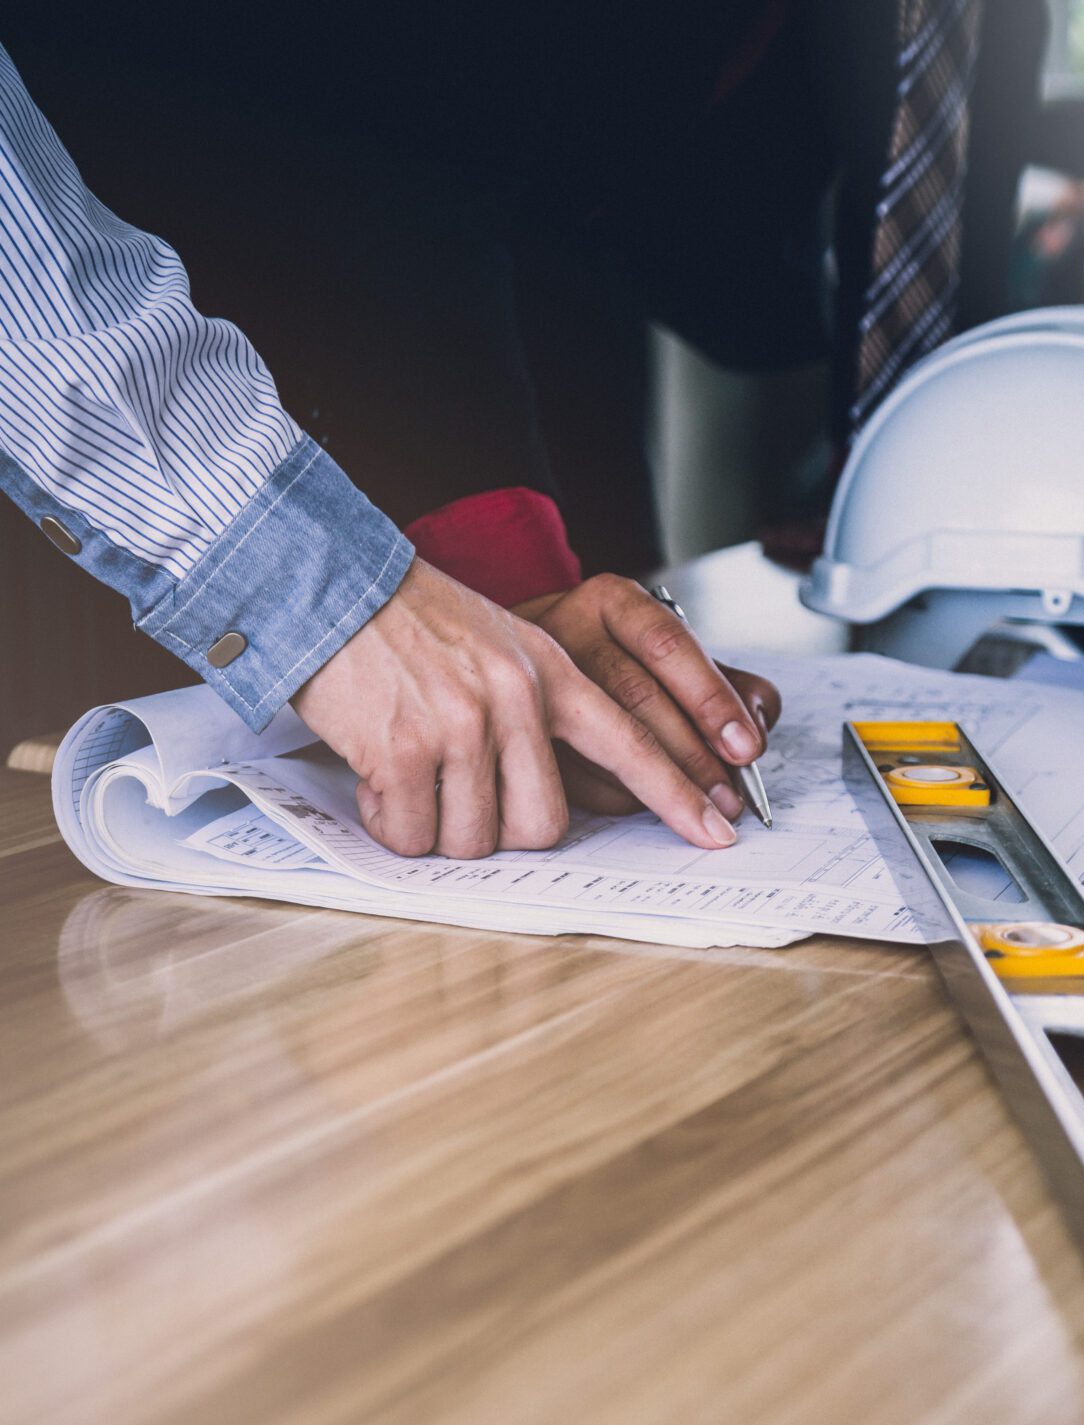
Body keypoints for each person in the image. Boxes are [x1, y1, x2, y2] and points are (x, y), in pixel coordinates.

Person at [0, 35, 780, 862]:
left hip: (456, 396)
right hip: (79, 509)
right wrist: (317, 589)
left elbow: (410, 124)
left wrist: (501, 615)